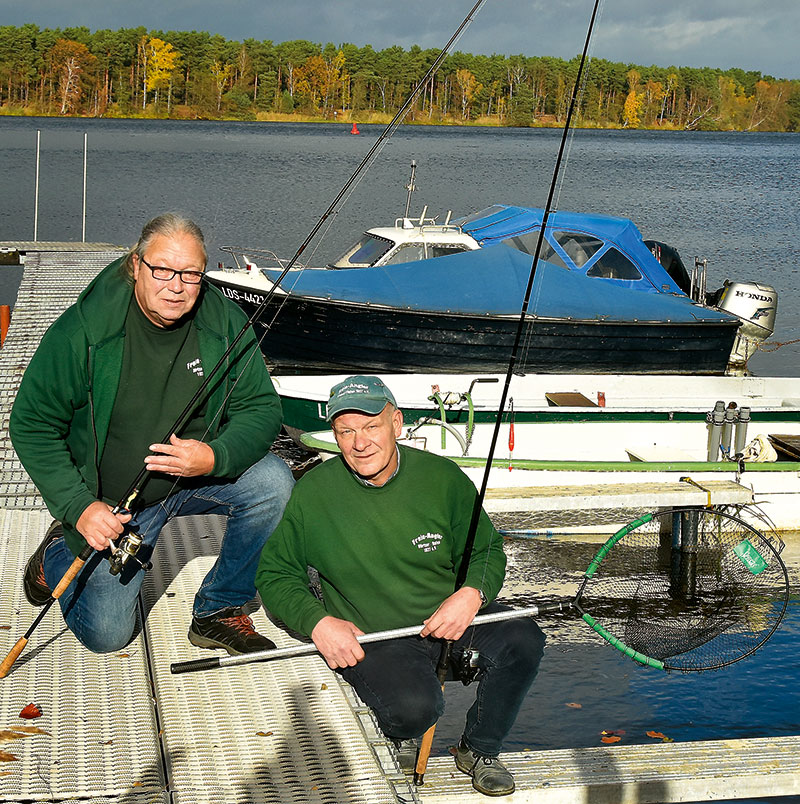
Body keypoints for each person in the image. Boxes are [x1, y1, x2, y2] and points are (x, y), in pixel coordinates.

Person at [10, 213, 294, 656]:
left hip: (193, 476)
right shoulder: (83, 331)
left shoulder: (224, 321)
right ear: (135, 265)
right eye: (162, 269)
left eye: (191, 274)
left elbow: (260, 408)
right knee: (108, 635)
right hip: (116, 503)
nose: (176, 286)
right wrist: (79, 506)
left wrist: (215, 457)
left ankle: (220, 607)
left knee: (274, 482)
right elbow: (31, 424)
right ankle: (55, 553)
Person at [256, 376, 545, 796]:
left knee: (524, 638)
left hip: (449, 619)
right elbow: (276, 575)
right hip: (377, 636)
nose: (360, 442)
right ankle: (401, 730)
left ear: (397, 423)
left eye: (371, 426)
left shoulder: (443, 478)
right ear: (333, 436)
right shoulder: (312, 493)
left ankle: (480, 747)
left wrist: (471, 594)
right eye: (346, 431)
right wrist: (319, 623)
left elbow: (487, 551)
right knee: (415, 709)